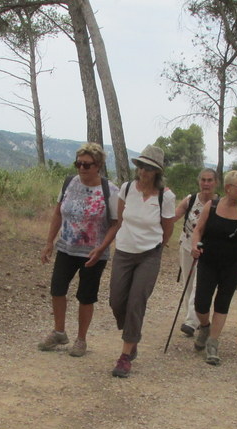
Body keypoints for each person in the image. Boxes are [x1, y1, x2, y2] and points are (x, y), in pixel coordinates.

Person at [39, 143, 121, 357]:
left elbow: (116, 223)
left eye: (87, 165)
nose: (82, 169)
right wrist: (49, 242)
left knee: (86, 296)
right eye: (79, 164)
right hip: (66, 248)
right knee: (57, 288)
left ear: (98, 166)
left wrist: (102, 247)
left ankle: (81, 339)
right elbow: (58, 213)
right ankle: (59, 332)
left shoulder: (110, 191)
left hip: (94, 253)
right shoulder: (69, 183)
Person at [109, 144, 177, 378]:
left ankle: (125, 356)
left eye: (149, 168)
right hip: (124, 251)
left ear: (157, 171)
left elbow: (168, 228)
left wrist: (158, 247)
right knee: (117, 301)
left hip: (149, 254)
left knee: (136, 301)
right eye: (141, 167)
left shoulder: (166, 197)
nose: (144, 172)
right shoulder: (126, 189)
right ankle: (132, 335)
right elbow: (119, 220)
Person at [189, 170, 237, 366]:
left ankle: (213, 342)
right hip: (208, 260)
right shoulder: (212, 206)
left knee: (222, 302)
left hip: (233, 264)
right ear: (228, 188)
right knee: (201, 303)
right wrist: (195, 245)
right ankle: (204, 326)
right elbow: (198, 230)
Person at [173, 168, 219, 339]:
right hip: (186, 246)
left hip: (207, 251)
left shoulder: (218, 203)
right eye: (203, 180)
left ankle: (191, 322)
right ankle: (194, 319)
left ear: (216, 182)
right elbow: (173, 217)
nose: (206, 183)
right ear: (199, 181)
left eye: (210, 180)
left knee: (198, 285)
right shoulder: (190, 200)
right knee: (188, 283)